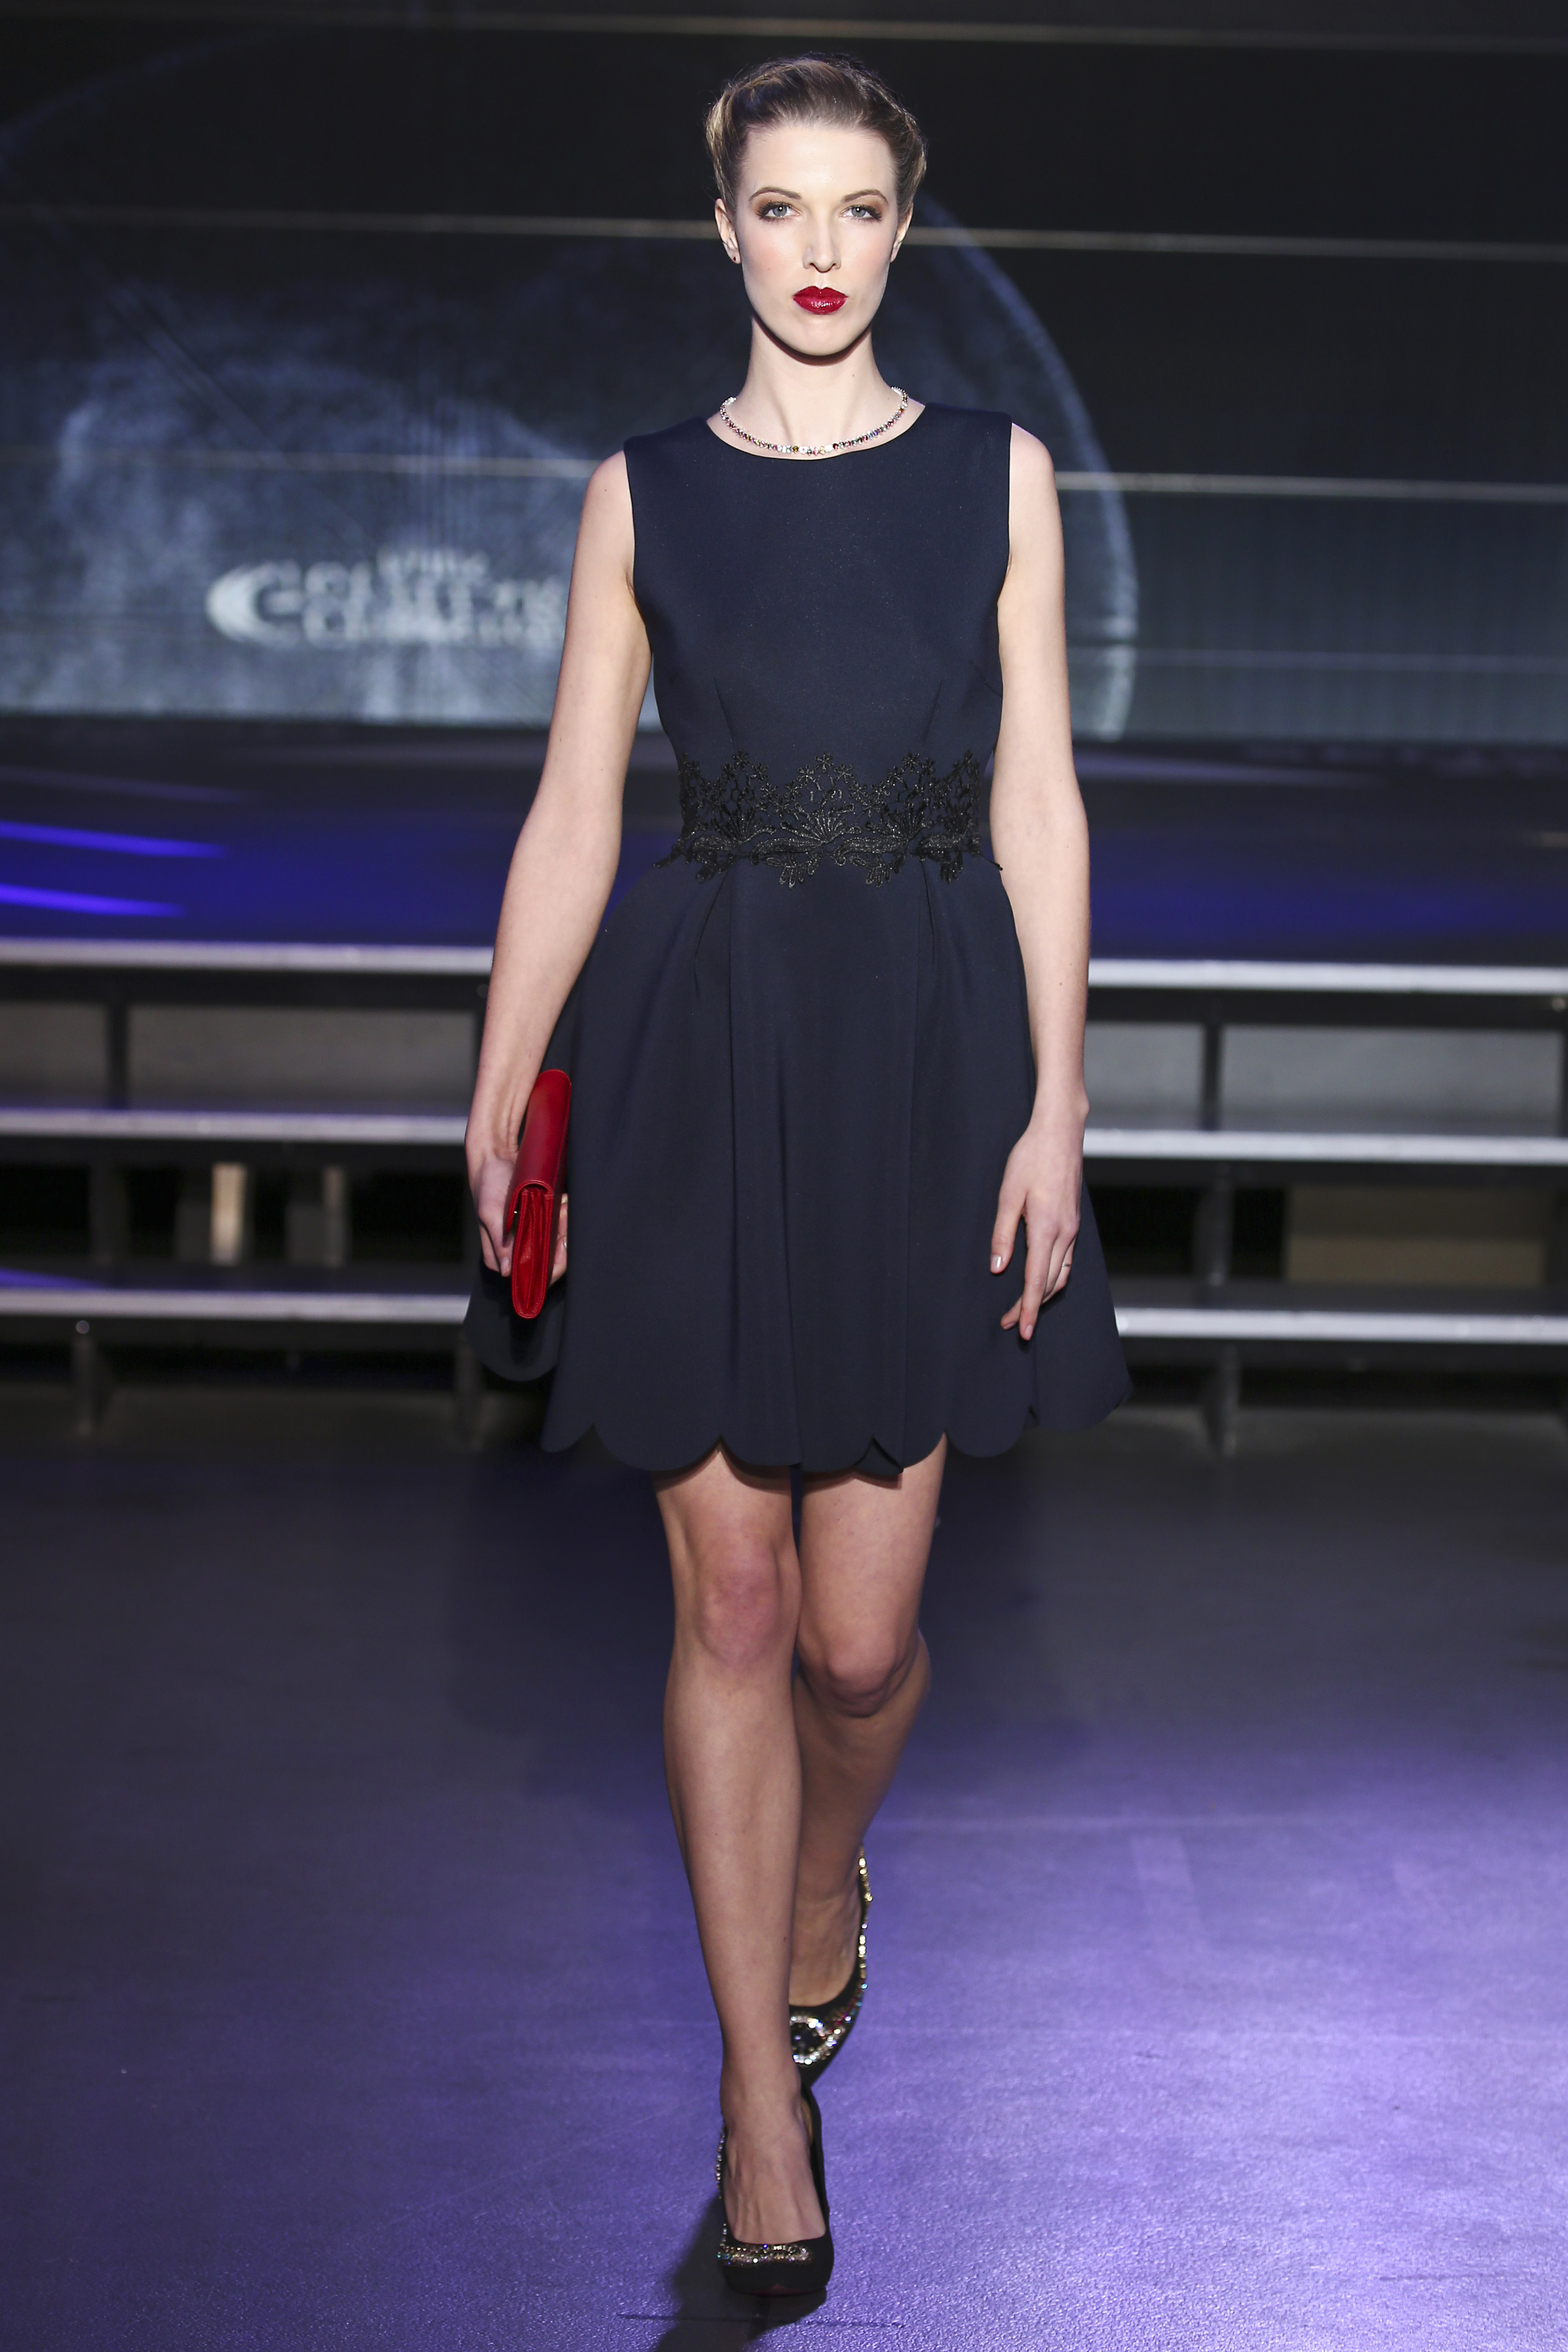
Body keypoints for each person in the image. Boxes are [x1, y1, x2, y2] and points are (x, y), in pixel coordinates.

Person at [464, 52, 1127, 2297]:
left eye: (858, 209)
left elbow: (1038, 799)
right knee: (732, 1612)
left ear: (902, 230)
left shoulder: (995, 474)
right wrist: (503, 1072)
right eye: (782, 208)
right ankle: (760, 2096)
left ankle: (832, 1869)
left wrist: (1057, 1097)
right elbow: (577, 808)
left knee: (859, 1650)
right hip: (698, 1044)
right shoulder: (640, 493)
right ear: (724, 226)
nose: (820, 249)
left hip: (926, 1058)